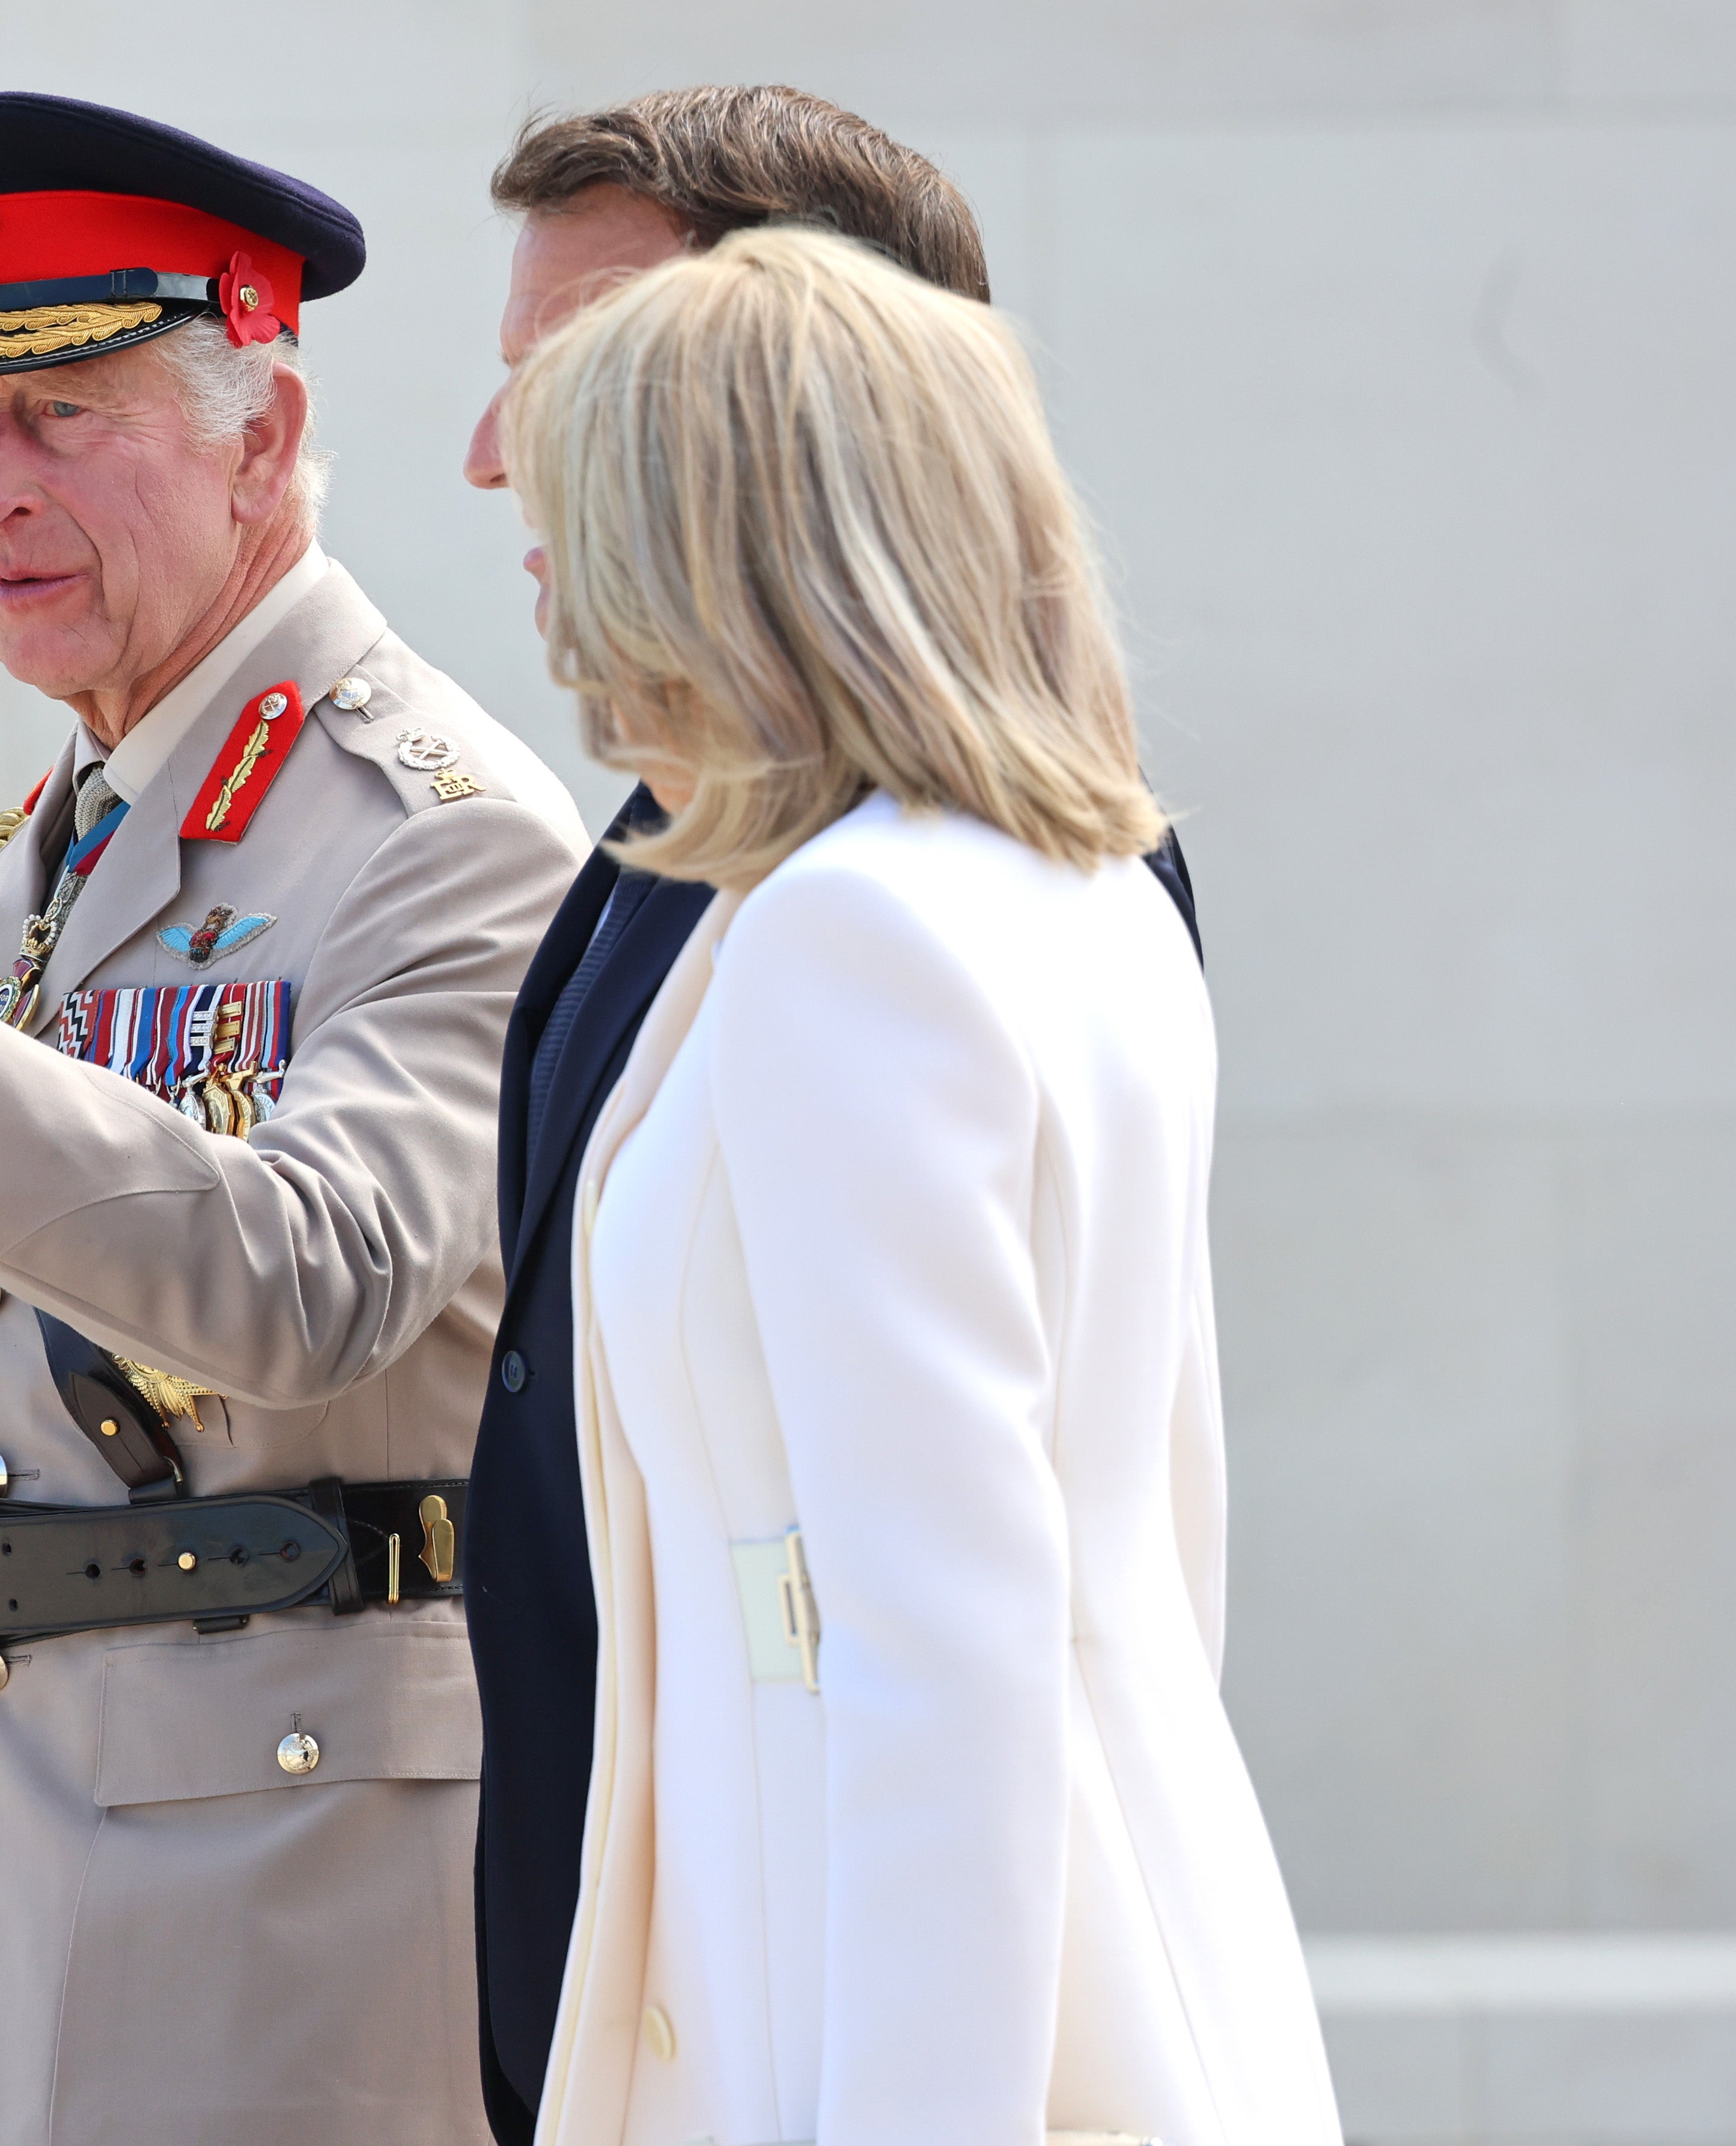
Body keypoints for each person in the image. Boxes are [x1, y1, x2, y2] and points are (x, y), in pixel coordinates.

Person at [0, 93, 588, 2144]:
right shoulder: (70, 824)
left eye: (61, 412)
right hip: (15, 1850)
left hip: (284, 1882)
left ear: (261, 427)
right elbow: (97, 1395)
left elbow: (313, 1285)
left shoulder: (438, 830)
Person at [504, 225, 1340, 2142]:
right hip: (1102, 1913)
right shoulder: (1072, 895)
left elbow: (941, 1643)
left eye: (583, 502)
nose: (545, 570)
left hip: (870, 1976)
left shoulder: (850, 935)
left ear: (706, 539)